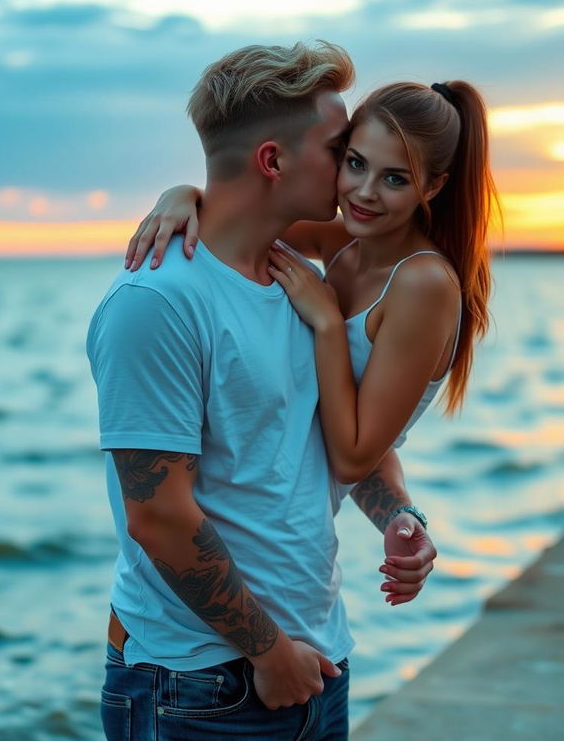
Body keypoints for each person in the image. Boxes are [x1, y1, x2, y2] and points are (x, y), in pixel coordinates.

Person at [87, 42, 437, 741]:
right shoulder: (158, 304)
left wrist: (397, 516)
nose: (353, 166)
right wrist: (265, 650)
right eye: (340, 149)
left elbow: (327, 448)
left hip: (318, 665)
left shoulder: (301, 281)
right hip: (200, 684)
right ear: (278, 161)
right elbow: (159, 516)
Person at [126, 81, 497, 528]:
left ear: (434, 187)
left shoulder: (423, 284)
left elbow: (354, 459)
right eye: (356, 164)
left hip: (299, 528)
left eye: (395, 178)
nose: (364, 192)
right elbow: (242, 213)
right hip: (274, 513)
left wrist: (327, 323)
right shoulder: (342, 239)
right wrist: (181, 194)